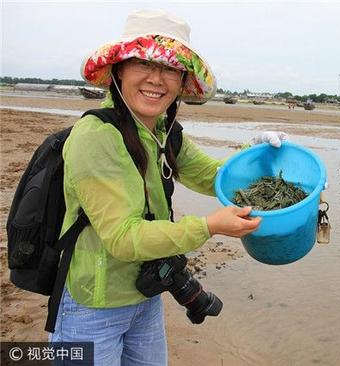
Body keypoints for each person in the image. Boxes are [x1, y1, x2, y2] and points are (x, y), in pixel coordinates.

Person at [50, 10, 287, 365]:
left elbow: (215, 177)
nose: (156, 78)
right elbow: (123, 238)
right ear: (118, 70)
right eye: (142, 63)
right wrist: (209, 227)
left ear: (181, 81)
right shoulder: (94, 137)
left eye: (170, 68)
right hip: (92, 306)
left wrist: (256, 155)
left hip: (145, 296)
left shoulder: (164, 131)